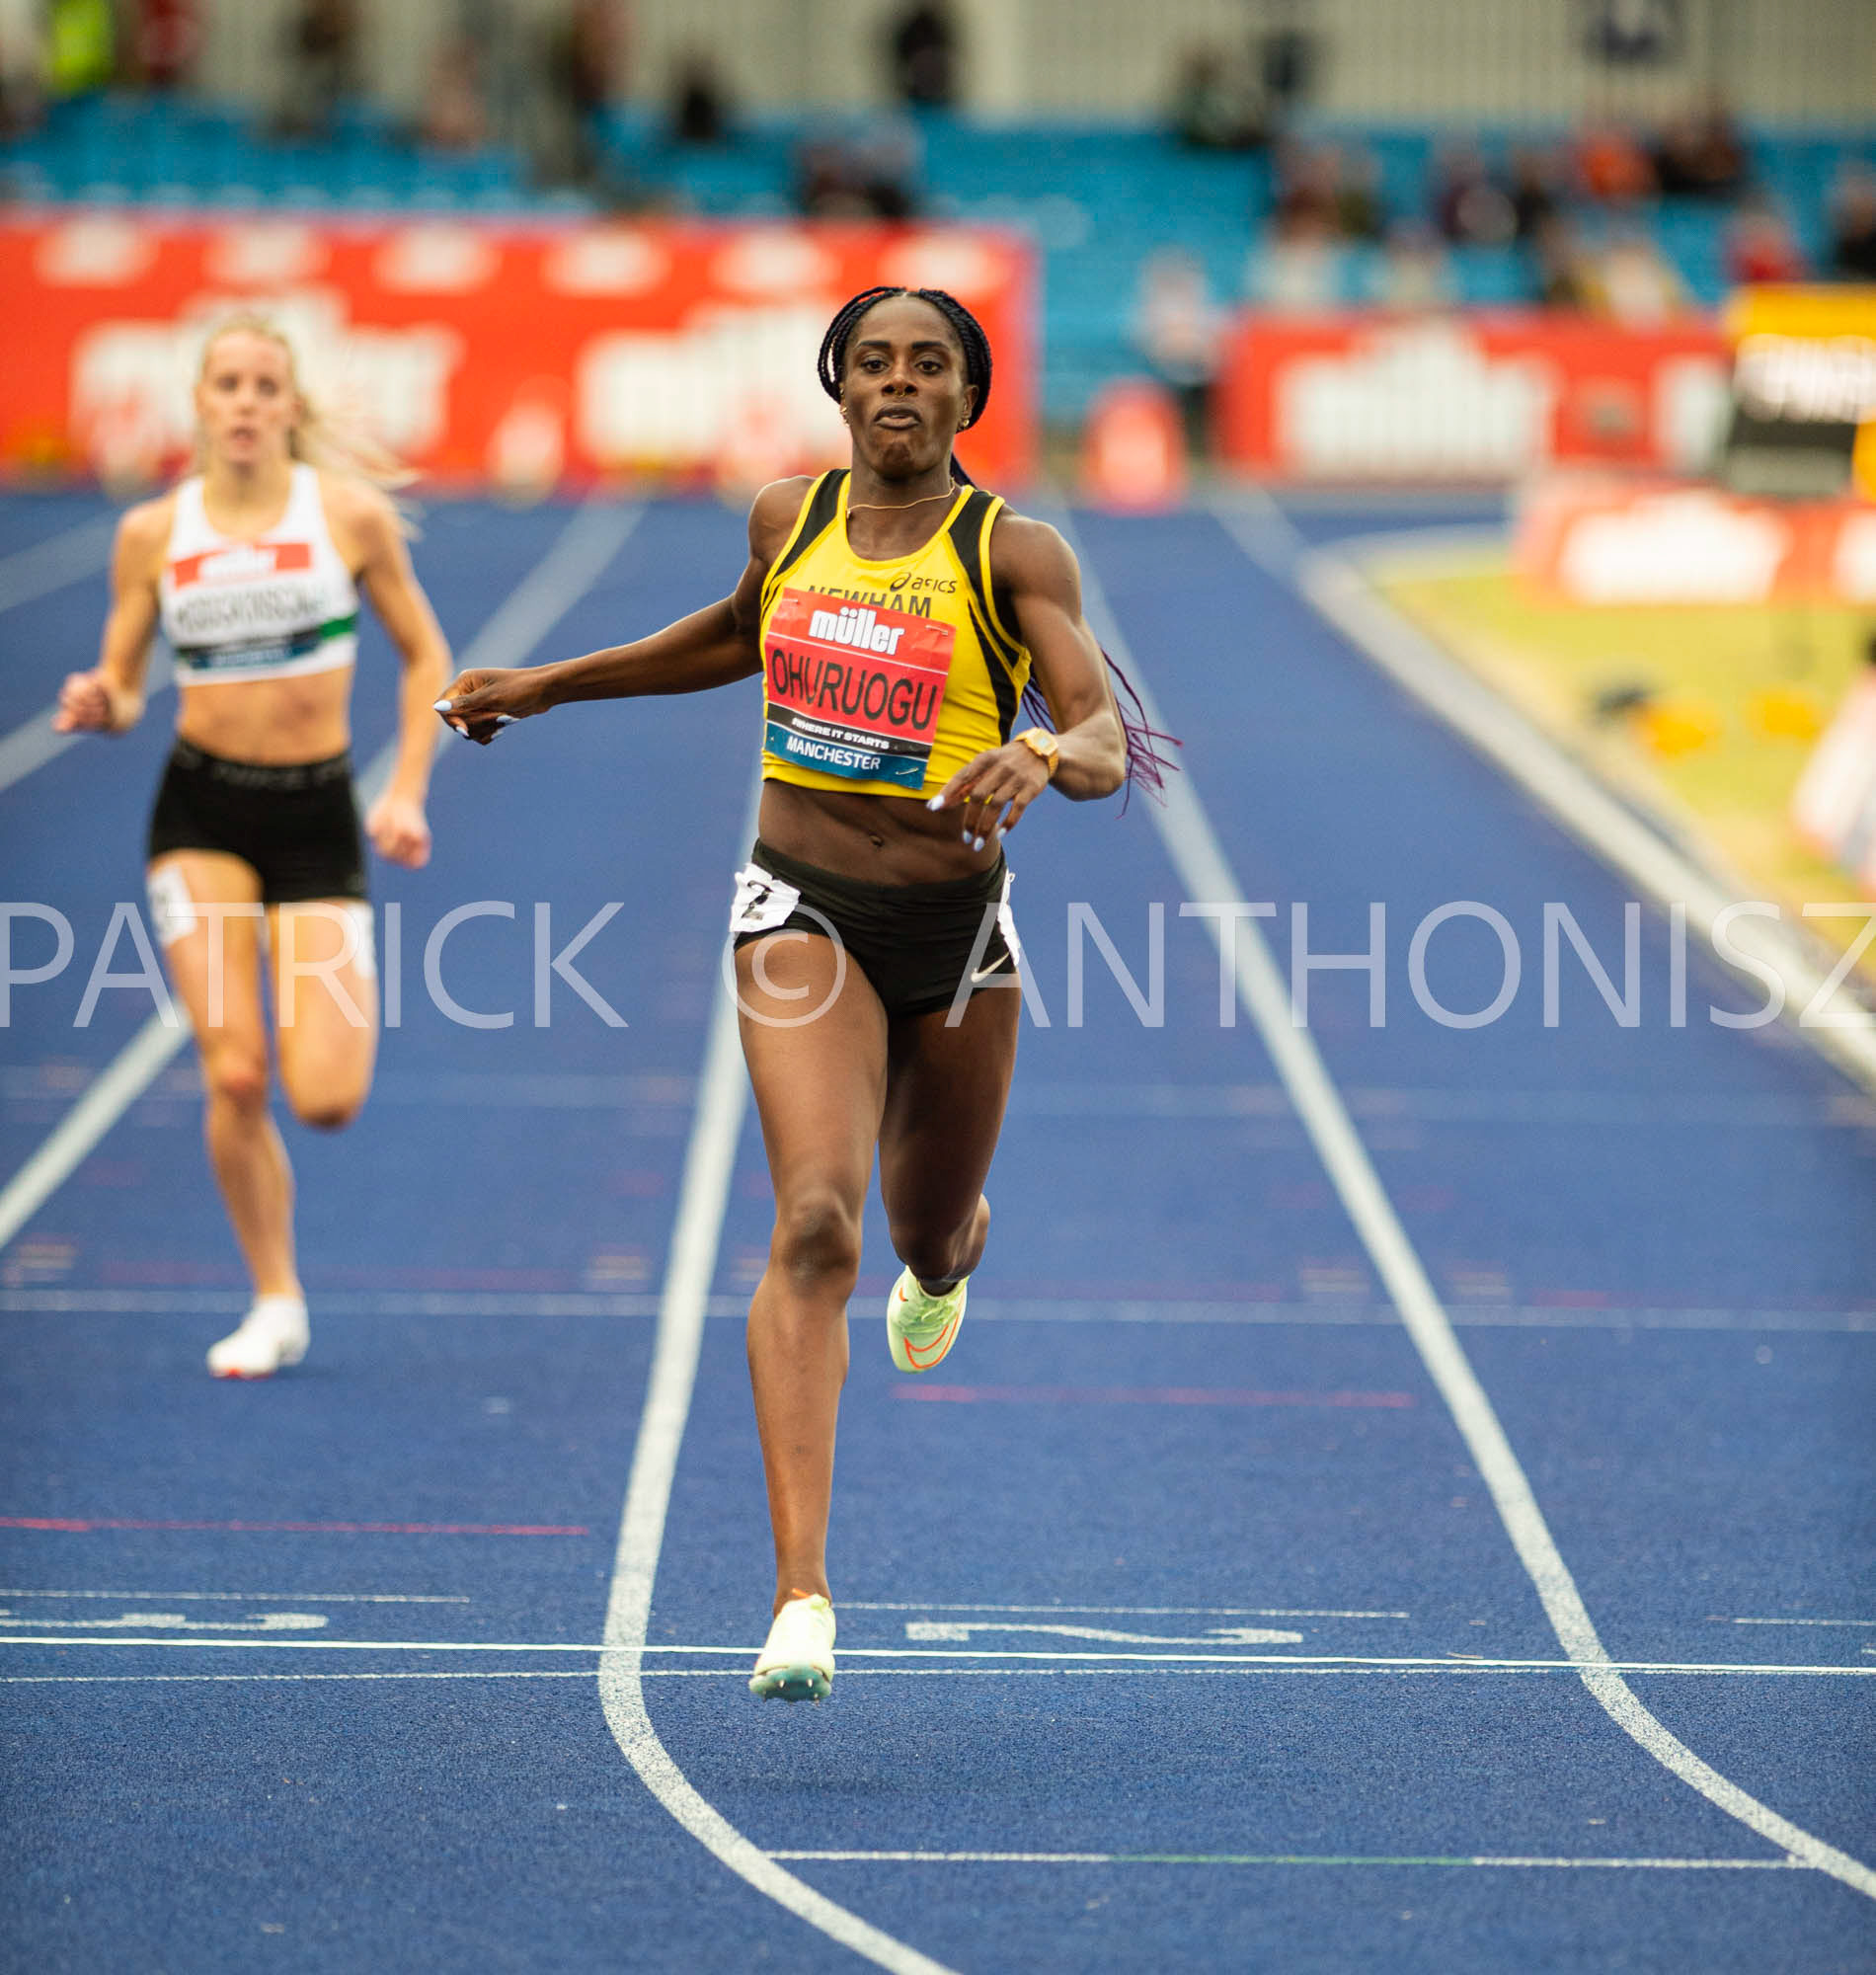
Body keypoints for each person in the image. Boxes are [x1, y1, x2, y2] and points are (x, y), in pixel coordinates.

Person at [435, 285, 1171, 1704]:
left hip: (955, 938)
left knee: (921, 1227)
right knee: (816, 1221)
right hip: (800, 910)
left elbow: (1096, 729)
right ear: (840, 387)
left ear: (970, 397)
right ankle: (800, 1597)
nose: (900, 385)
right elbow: (728, 634)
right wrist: (548, 687)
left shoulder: (1014, 548)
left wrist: (1040, 754)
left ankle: (953, 1253)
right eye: (875, 363)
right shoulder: (789, 519)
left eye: (930, 366)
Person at [54, 315, 449, 1378]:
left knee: (325, 1099)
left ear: (289, 405)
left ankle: (282, 1275)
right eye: (224, 383)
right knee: (234, 1074)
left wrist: (406, 787)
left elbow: (426, 658)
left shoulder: (348, 517)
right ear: (199, 401)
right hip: (201, 816)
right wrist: (103, 698)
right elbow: (130, 685)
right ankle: (274, 1294)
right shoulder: (151, 533)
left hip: (317, 817)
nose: (242, 401)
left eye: (261, 384)